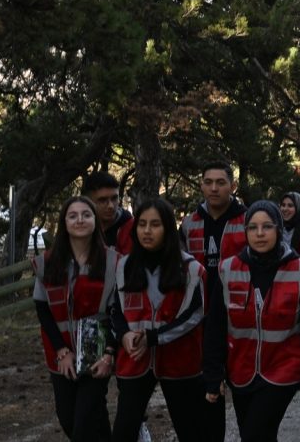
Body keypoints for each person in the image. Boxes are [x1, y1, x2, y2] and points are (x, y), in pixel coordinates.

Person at [203, 200, 300, 441]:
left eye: (267, 227)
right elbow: (215, 326)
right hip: (240, 370)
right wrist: (213, 373)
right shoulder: (228, 269)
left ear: (278, 230)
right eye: (252, 228)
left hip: (282, 370)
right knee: (260, 434)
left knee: (255, 435)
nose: (259, 234)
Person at [111, 198, 207, 442]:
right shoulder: (123, 266)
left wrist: (154, 338)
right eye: (142, 224)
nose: (146, 230)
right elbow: (117, 309)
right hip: (135, 360)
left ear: (167, 228)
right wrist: (124, 335)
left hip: (180, 361)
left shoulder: (191, 269)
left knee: (190, 430)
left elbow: (194, 315)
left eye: (155, 224)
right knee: (123, 431)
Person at [32, 196, 119, 441]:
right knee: (69, 417)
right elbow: (42, 309)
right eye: (73, 215)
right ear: (64, 222)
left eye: (86, 214)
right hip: (60, 353)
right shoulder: (47, 263)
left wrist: (109, 353)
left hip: (97, 353)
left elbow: (118, 312)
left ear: (95, 220)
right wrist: (61, 351)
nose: (80, 220)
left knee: (84, 422)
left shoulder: (113, 262)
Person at [180, 161, 248, 441]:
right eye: (208, 182)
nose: (214, 188)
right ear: (201, 185)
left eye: (220, 182)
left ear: (232, 186)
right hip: (200, 317)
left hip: (238, 316)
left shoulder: (247, 220)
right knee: (208, 389)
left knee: (243, 389)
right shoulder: (189, 222)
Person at [82, 171, 134, 255]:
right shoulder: (78, 227)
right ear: (88, 202)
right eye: (102, 200)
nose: (110, 206)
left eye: (114, 198)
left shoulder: (132, 230)